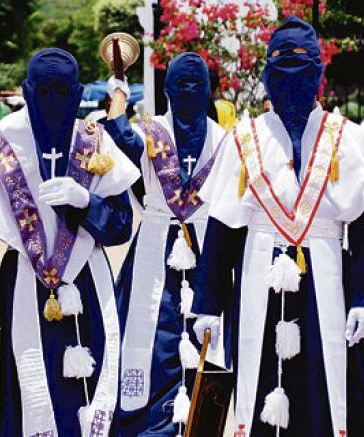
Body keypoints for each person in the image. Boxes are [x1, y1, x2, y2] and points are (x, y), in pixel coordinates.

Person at [192, 17, 364, 436]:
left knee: (328, 394)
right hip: (258, 282)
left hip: (328, 285)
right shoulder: (244, 139)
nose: (291, 83)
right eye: (282, 72)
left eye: (302, 72)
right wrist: (208, 305)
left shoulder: (346, 138)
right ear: (268, 75)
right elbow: (222, 231)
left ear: (319, 77)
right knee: (260, 386)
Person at [0, 48, 139, 436]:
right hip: (21, 284)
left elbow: (120, 227)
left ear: (76, 94)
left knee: (87, 395)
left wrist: (85, 203)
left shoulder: (96, 141)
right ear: (26, 90)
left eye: (61, 92)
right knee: (24, 397)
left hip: (87, 287)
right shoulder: (2, 143)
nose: (52, 101)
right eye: (44, 91)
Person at [104, 52, 229, 436]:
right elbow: (119, 139)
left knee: (205, 340)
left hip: (207, 250)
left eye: (196, 85)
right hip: (154, 249)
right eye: (181, 85)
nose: (188, 92)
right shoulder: (150, 132)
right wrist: (118, 100)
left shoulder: (226, 141)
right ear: (168, 89)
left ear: (207, 90)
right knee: (151, 342)